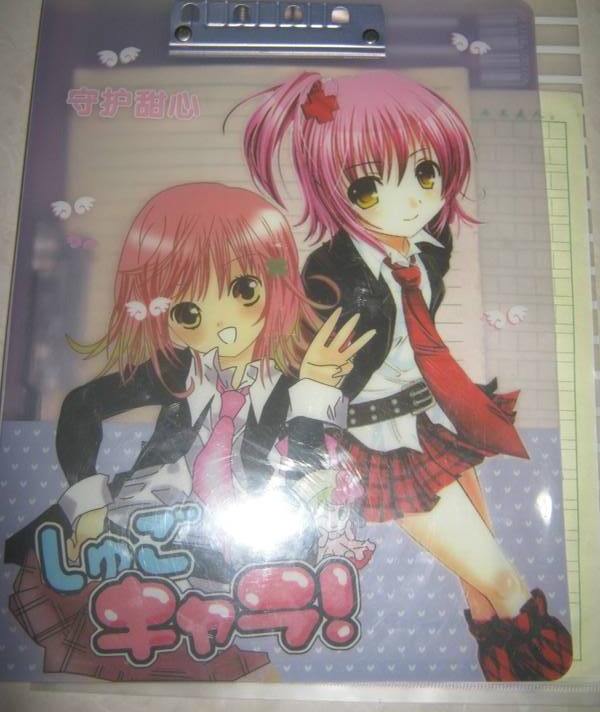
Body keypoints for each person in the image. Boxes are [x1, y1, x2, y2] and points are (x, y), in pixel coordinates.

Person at [236, 70, 573, 682]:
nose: (412, 200)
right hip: (376, 440)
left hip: (433, 415)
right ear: (334, 188)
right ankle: (543, 662)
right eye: (368, 187)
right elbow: (297, 370)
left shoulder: (427, 247)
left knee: (478, 581)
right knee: (502, 579)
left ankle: (502, 672)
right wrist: (275, 461)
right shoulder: (330, 276)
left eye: (425, 173)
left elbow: (419, 312)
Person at [5, 181, 374, 681]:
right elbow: (82, 405)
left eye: (245, 292)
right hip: (147, 530)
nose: (223, 327)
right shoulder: (178, 369)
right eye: (189, 312)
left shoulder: (296, 381)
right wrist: (89, 500)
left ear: (278, 282)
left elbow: (311, 475)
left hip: (246, 552)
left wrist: (313, 390)